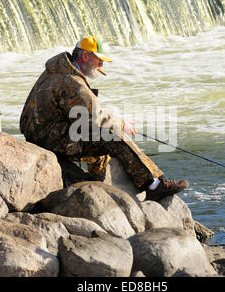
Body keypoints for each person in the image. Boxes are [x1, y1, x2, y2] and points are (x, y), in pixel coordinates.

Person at [19, 35, 188, 201]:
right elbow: (95, 120)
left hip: (43, 134)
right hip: (49, 139)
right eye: (98, 60)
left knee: (96, 137)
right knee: (111, 134)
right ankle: (153, 185)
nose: (101, 64)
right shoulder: (71, 81)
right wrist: (122, 124)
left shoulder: (58, 69)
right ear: (84, 56)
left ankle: (99, 182)